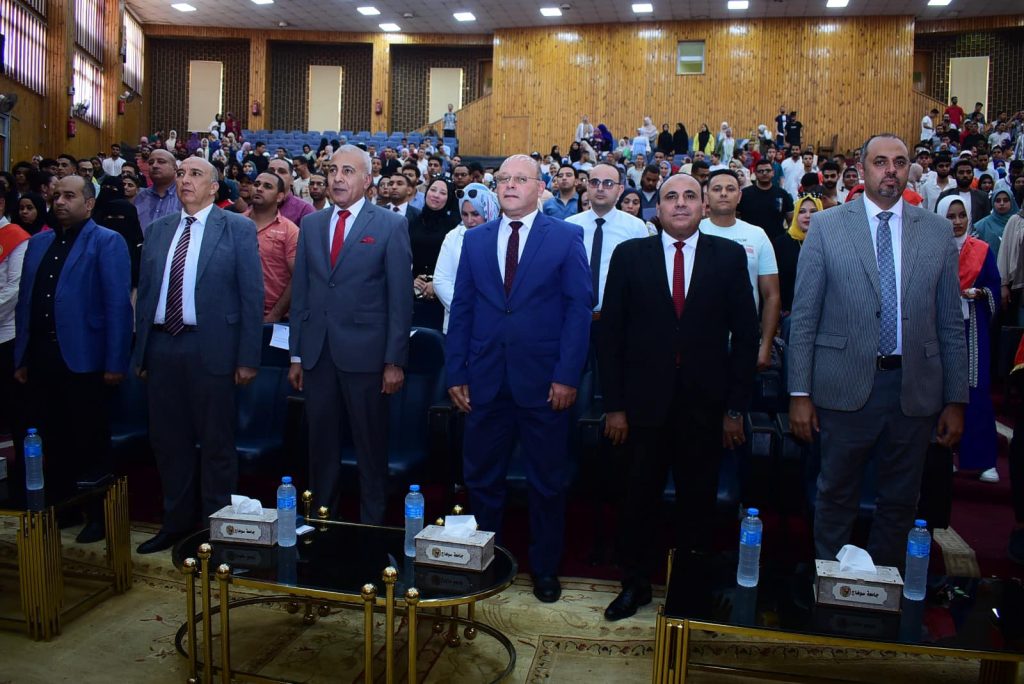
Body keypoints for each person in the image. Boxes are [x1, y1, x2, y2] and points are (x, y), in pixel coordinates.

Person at [788, 133, 968, 568]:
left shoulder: (937, 231)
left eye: (900, 162)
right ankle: (832, 582)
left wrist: (956, 400)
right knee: (836, 493)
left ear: (910, 171)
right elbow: (805, 316)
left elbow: (950, 321)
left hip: (915, 389)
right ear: (862, 169)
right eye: (881, 162)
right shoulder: (827, 226)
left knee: (902, 499)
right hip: (843, 385)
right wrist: (799, 394)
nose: (891, 171)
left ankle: (885, 585)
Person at [599, 172, 758, 621]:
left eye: (691, 196)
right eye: (672, 196)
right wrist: (614, 406)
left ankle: (689, 592)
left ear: (704, 206)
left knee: (697, 504)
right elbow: (610, 337)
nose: (682, 203)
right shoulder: (630, 255)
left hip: (705, 408)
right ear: (659, 208)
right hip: (641, 408)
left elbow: (746, 338)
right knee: (638, 499)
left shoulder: (728, 256)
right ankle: (635, 584)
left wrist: (735, 410)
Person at [445, 154, 591, 604]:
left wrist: (567, 375)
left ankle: (544, 569)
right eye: (504, 178)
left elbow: (578, 311)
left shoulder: (565, 236)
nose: (509, 185)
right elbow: (463, 309)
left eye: (520, 179)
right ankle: (488, 562)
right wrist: (456, 372)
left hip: (545, 384)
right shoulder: (475, 239)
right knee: (482, 480)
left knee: (546, 482)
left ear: (540, 187)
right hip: (485, 381)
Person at [133, 158, 264, 554]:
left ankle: (215, 531)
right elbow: (145, 294)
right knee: (168, 442)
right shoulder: (158, 230)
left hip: (213, 349)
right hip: (162, 347)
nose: (185, 180)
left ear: (213, 187)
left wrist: (248, 358)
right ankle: (175, 523)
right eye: (182, 174)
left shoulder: (237, 228)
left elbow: (251, 295)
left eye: (195, 174)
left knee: (216, 445)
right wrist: (141, 353)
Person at [288, 144, 413, 524]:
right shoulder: (312, 224)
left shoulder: (390, 225)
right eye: (332, 170)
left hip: (368, 358)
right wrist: (297, 354)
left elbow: (400, 300)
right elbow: (302, 292)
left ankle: (371, 530)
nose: (337, 178)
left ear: (367, 179)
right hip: (318, 355)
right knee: (320, 449)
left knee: (370, 451)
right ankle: (321, 523)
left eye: (347, 171)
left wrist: (394, 361)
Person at [14, 175, 133, 543]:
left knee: (90, 440)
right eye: (56, 195)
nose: (60, 202)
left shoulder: (107, 241)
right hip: (42, 356)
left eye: (69, 196)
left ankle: (99, 516)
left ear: (89, 203)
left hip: (87, 359)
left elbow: (118, 306)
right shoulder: (38, 243)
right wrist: (21, 356)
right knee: (52, 437)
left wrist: (115, 362)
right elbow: (26, 302)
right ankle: (63, 507)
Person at [938, 196, 1000, 482]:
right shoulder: (933, 249)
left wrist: (981, 293)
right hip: (939, 329)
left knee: (976, 391)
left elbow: (994, 288)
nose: (957, 221)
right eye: (950, 216)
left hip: (973, 328)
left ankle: (982, 460)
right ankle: (944, 454)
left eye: (962, 215)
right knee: (941, 392)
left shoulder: (982, 250)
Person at [700, 169, 780, 370]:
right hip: (698, 340)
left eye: (730, 189)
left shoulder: (757, 235)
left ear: (740, 196)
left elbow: (771, 296)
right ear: (706, 196)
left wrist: (765, 345)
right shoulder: (694, 231)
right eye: (717, 189)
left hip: (744, 340)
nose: (724, 193)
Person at [567, 163, 648, 313]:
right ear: (587, 187)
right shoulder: (570, 225)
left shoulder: (636, 227)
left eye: (608, 183)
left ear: (620, 190)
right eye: (594, 182)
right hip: (575, 314)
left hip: (620, 315)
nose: (600, 188)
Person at [434, 183, 500, 334]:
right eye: (464, 214)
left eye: (475, 214)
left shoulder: (504, 235)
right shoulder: (453, 237)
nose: (469, 221)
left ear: (488, 211)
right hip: (459, 322)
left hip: (497, 323)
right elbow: (441, 280)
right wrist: (467, 309)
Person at [247, 172, 299, 322]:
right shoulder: (235, 223)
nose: (259, 189)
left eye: (267, 186)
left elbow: (298, 277)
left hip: (274, 319)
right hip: (237, 315)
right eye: (256, 184)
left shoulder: (290, 231)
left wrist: (275, 314)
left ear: (280, 197)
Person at [94, 176, 145, 290]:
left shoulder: (139, 249)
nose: (113, 220)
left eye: (119, 217)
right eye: (110, 218)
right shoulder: (95, 243)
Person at [773, 194, 821, 313]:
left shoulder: (829, 242)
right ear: (795, 215)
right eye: (802, 211)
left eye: (813, 211)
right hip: (789, 311)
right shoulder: (781, 243)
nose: (808, 216)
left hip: (822, 311)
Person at [738, 158, 795, 241]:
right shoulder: (744, 194)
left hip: (777, 241)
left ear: (773, 173)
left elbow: (791, 220)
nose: (764, 173)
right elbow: (736, 217)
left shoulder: (782, 194)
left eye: (768, 170)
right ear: (755, 174)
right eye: (760, 171)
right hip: (750, 240)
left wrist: (788, 239)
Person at [134, 149, 182, 233]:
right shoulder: (140, 196)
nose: (154, 165)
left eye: (161, 162)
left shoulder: (184, 196)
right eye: (151, 163)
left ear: (175, 168)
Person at [939, 158, 992, 227]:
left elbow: (986, 222)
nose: (965, 175)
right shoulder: (945, 196)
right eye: (961, 172)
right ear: (954, 175)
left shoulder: (982, 196)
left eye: (968, 172)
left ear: (973, 174)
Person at [975, 189, 1019, 260]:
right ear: (993, 202)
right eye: (998, 201)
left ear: (1012, 202)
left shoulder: (1020, 223)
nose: (1002, 203)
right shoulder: (982, 225)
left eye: (1005, 200)